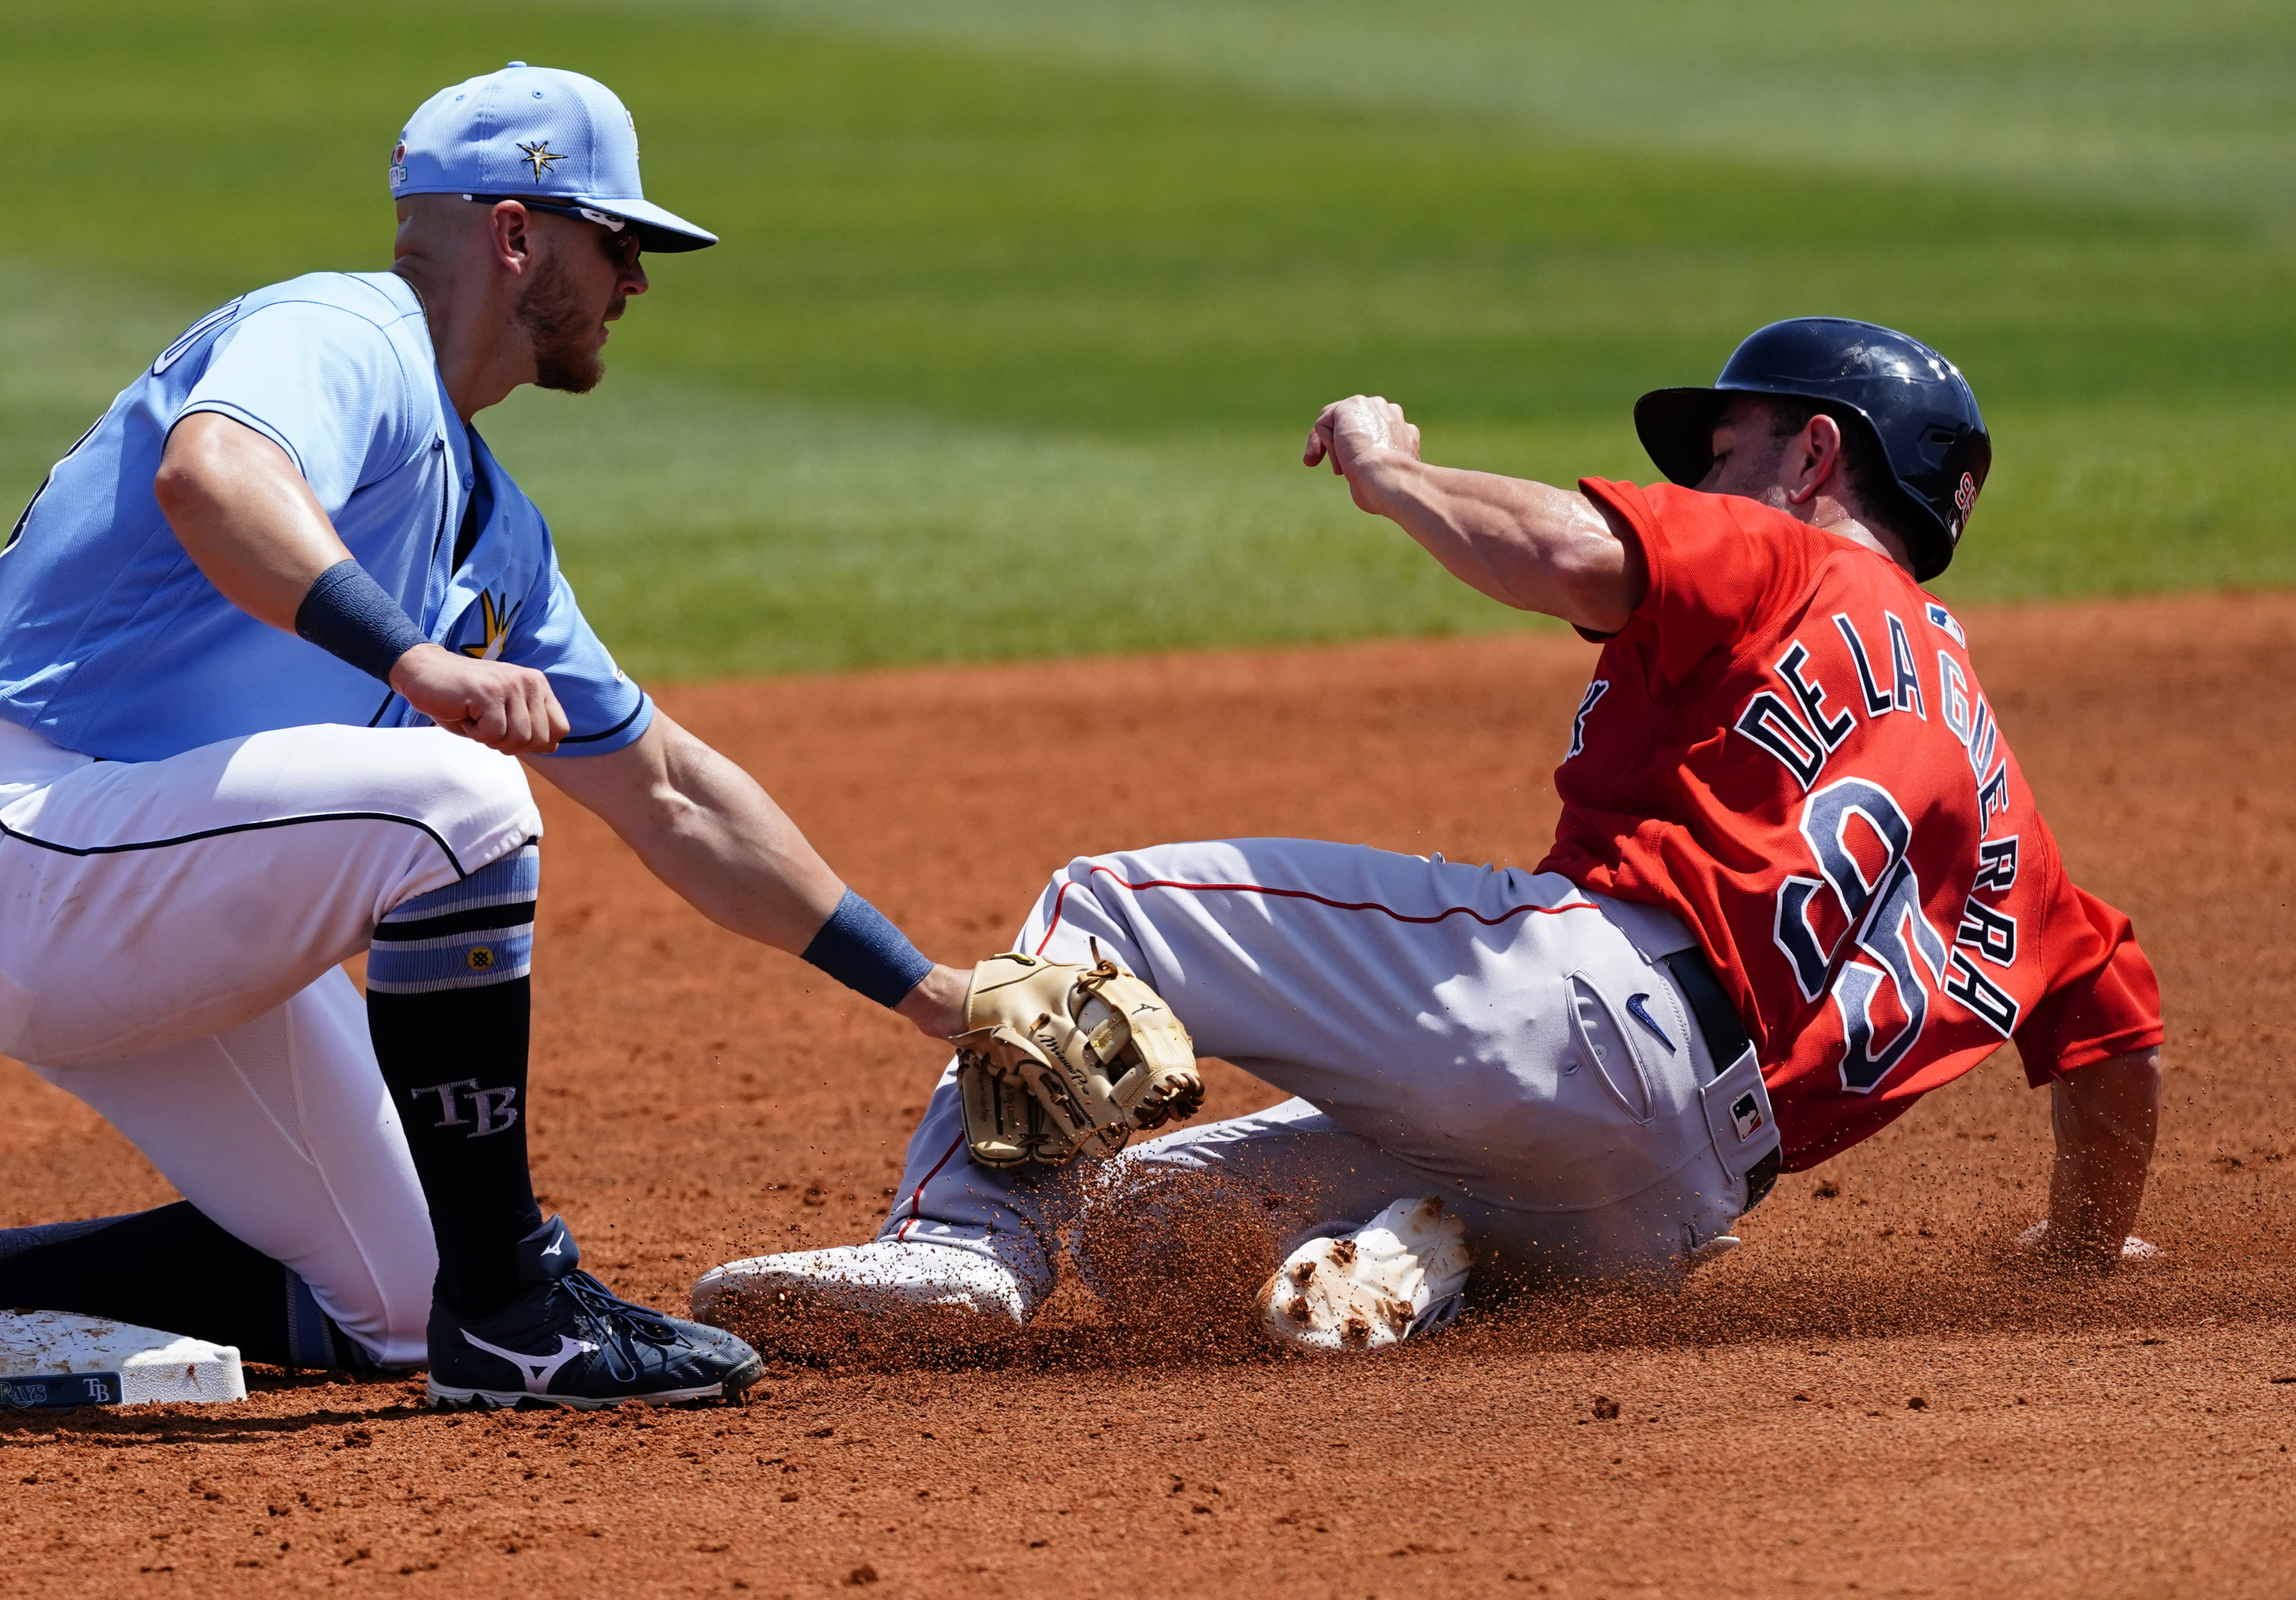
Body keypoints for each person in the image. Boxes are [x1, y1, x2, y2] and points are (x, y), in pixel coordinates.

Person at [0, 64, 974, 1411]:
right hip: (35, 847)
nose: (637, 284)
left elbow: (670, 793)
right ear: (517, 234)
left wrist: (933, 994)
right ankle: (518, 1312)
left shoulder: (492, 525)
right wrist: (415, 659)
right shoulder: (342, 332)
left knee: (392, 1293)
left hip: (138, 887)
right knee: (460, 805)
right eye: (620, 243)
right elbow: (214, 476)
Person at [691, 319, 2165, 1346]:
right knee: (1150, 1223)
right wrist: (2082, 1248)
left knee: (1108, 907)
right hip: (1672, 1204)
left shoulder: (1788, 554)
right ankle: (1415, 1257)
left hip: (1585, 1006)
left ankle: (961, 1243)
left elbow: (1563, 550)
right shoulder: (1997, 800)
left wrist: (1392, 471)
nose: (1703, 476)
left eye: (1725, 444)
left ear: (1809, 456)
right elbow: (2112, 1037)